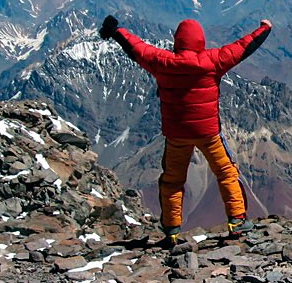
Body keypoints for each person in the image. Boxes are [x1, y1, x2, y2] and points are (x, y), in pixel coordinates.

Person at [99, 15, 272, 243]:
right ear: (200, 41)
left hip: (176, 134)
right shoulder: (214, 60)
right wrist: (264, 29)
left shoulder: (162, 61)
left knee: (172, 180)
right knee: (226, 173)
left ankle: (171, 230)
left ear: (177, 41)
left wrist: (116, 31)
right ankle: (237, 221)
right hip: (208, 133)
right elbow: (243, 47)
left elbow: (137, 48)